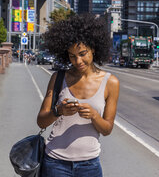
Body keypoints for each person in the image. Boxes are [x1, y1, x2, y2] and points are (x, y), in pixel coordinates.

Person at [37, 14, 120, 177]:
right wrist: (58, 111)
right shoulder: (58, 78)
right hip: (55, 162)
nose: (78, 61)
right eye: (72, 56)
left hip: (90, 165)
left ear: (93, 49)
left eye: (83, 53)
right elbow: (41, 121)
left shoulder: (111, 83)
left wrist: (95, 116)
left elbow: (107, 129)